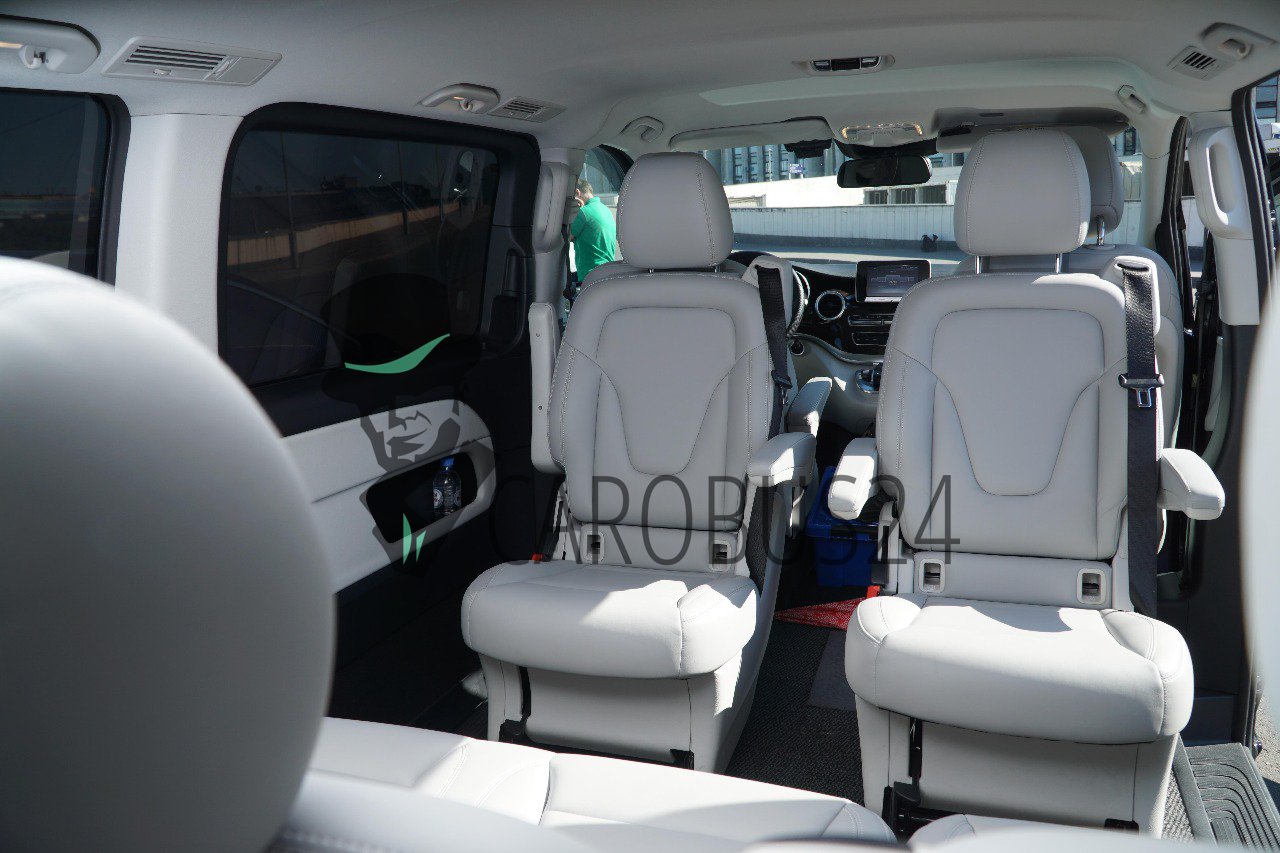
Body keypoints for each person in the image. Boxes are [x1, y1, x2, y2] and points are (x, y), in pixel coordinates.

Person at [569, 178, 618, 280]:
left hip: (590, 273)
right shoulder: (605, 209)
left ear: (577, 192)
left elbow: (566, 237)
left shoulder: (583, 212)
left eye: (571, 197)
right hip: (608, 270)